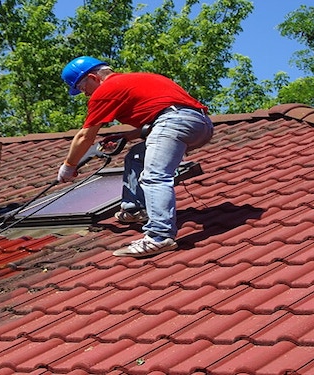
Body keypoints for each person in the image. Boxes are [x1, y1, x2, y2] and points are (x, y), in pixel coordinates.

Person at [58, 56, 213, 257]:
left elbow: (85, 136)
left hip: (173, 122)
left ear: (93, 77)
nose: (84, 93)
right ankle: (135, 210)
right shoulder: (138, 79)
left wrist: (69, 166)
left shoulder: (105, 90)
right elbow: (165, 115)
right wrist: (127, 135)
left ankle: (159, 236)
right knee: (137, 156)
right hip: (201, 125)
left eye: (80, 87)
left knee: (155, 176)